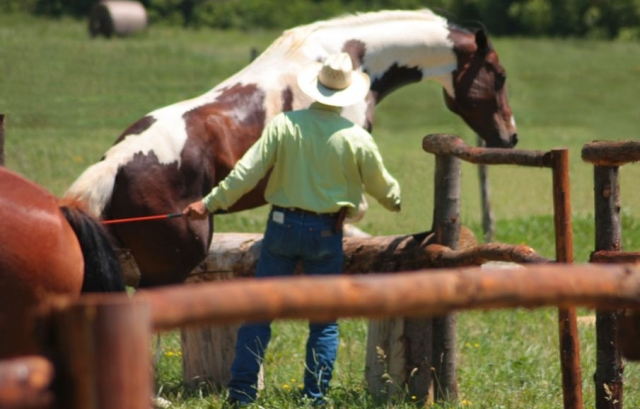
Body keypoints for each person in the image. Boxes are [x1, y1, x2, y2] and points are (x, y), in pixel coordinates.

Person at [183, 51, 401, 407]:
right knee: (324, 323)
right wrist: (395, 201)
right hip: (326, 233)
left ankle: (240, 395)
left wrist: (208, 203)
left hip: (281, 228)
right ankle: (314, 398)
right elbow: (383, 186)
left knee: (259, 314)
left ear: (315, 89)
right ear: (347, 94)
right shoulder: (356, 137)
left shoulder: (285, 125)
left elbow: (246, 173)